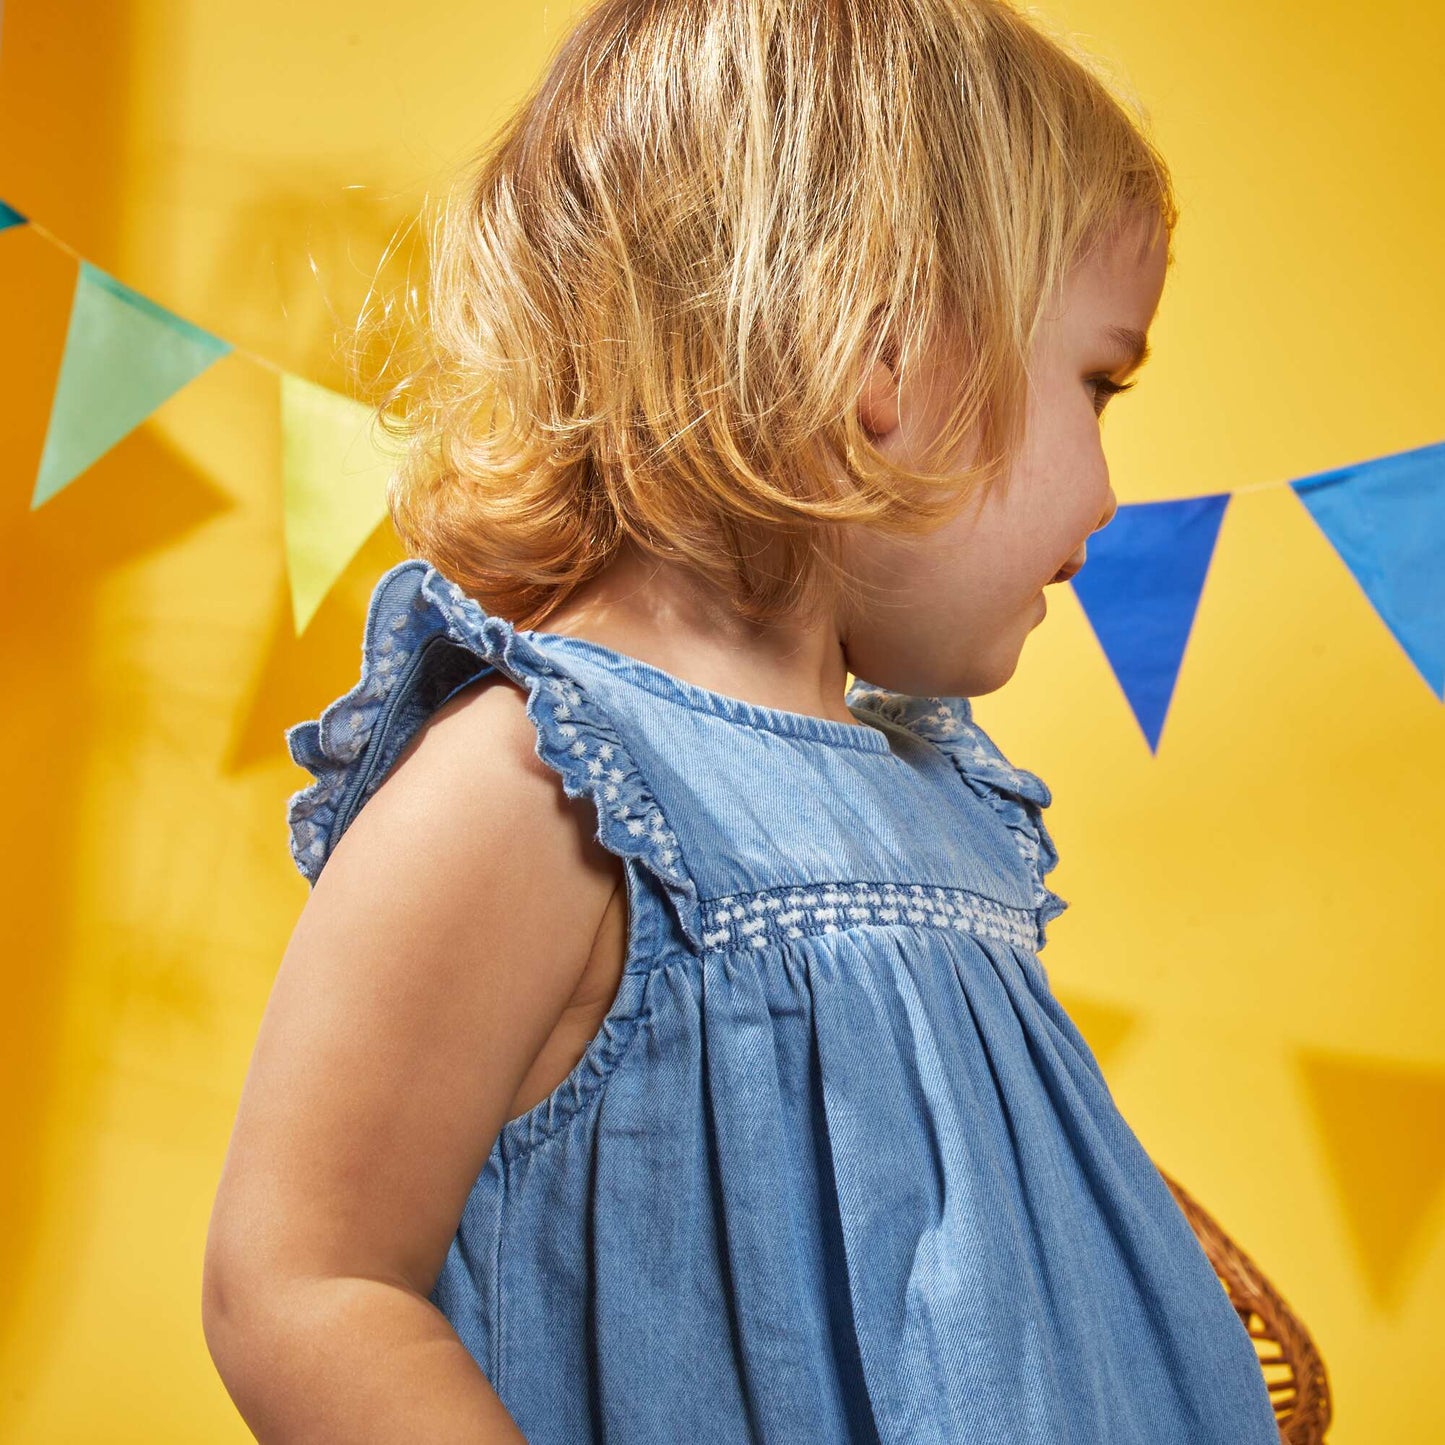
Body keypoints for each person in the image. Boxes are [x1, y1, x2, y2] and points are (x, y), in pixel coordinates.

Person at [202, 0, 1283, 1440]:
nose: (1101, 491)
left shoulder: (940, 803)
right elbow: (303, 1279)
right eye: (1095, 381)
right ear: (879, 353)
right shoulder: (544, 786)